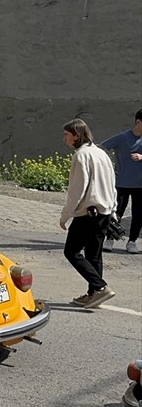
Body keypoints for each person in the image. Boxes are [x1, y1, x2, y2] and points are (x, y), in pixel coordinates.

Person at [60, 119, 118, 308]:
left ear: (76, 135)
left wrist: (65, 215)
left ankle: (100, 287)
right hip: (105, 211)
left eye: (67, 135)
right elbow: (112, 183)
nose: (65, 139)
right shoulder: (101, 153)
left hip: (88, 212)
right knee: (94, 254)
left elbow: (77, 190)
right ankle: (94, 294)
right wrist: (114, 208)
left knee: (71, 251)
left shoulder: (81, 155)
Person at [100, 109, 142, 254]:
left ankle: (132, 242)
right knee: (116, 212)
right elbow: (100, 148)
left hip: (140, 185)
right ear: (138, 122)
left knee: (139, 214)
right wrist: (106, 167)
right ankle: (110, 239)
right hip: (122, 182)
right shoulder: (123, 137)